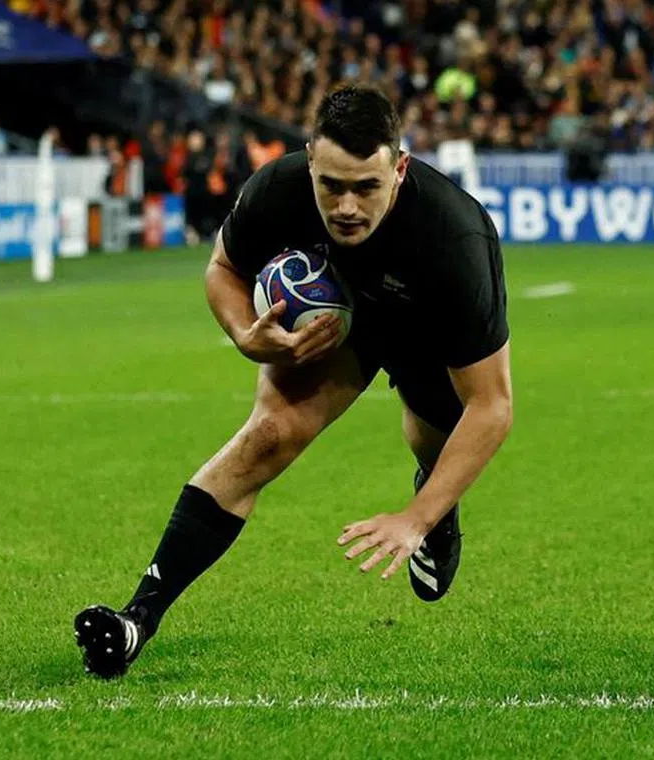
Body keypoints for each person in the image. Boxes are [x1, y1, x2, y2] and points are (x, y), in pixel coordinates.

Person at [74, 82, 513, 679]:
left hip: (425, 330)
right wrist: (243, 332)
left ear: (400, 169)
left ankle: (439, 509)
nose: (347, 207)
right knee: (267, 436)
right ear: (309, 160)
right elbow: (223, 269)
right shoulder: (278, 189)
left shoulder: (455, 240)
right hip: (334, 327)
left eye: (367, 187)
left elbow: (490, 406)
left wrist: (416, 517)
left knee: (430, 441)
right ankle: (136, 620)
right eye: (331, 185)